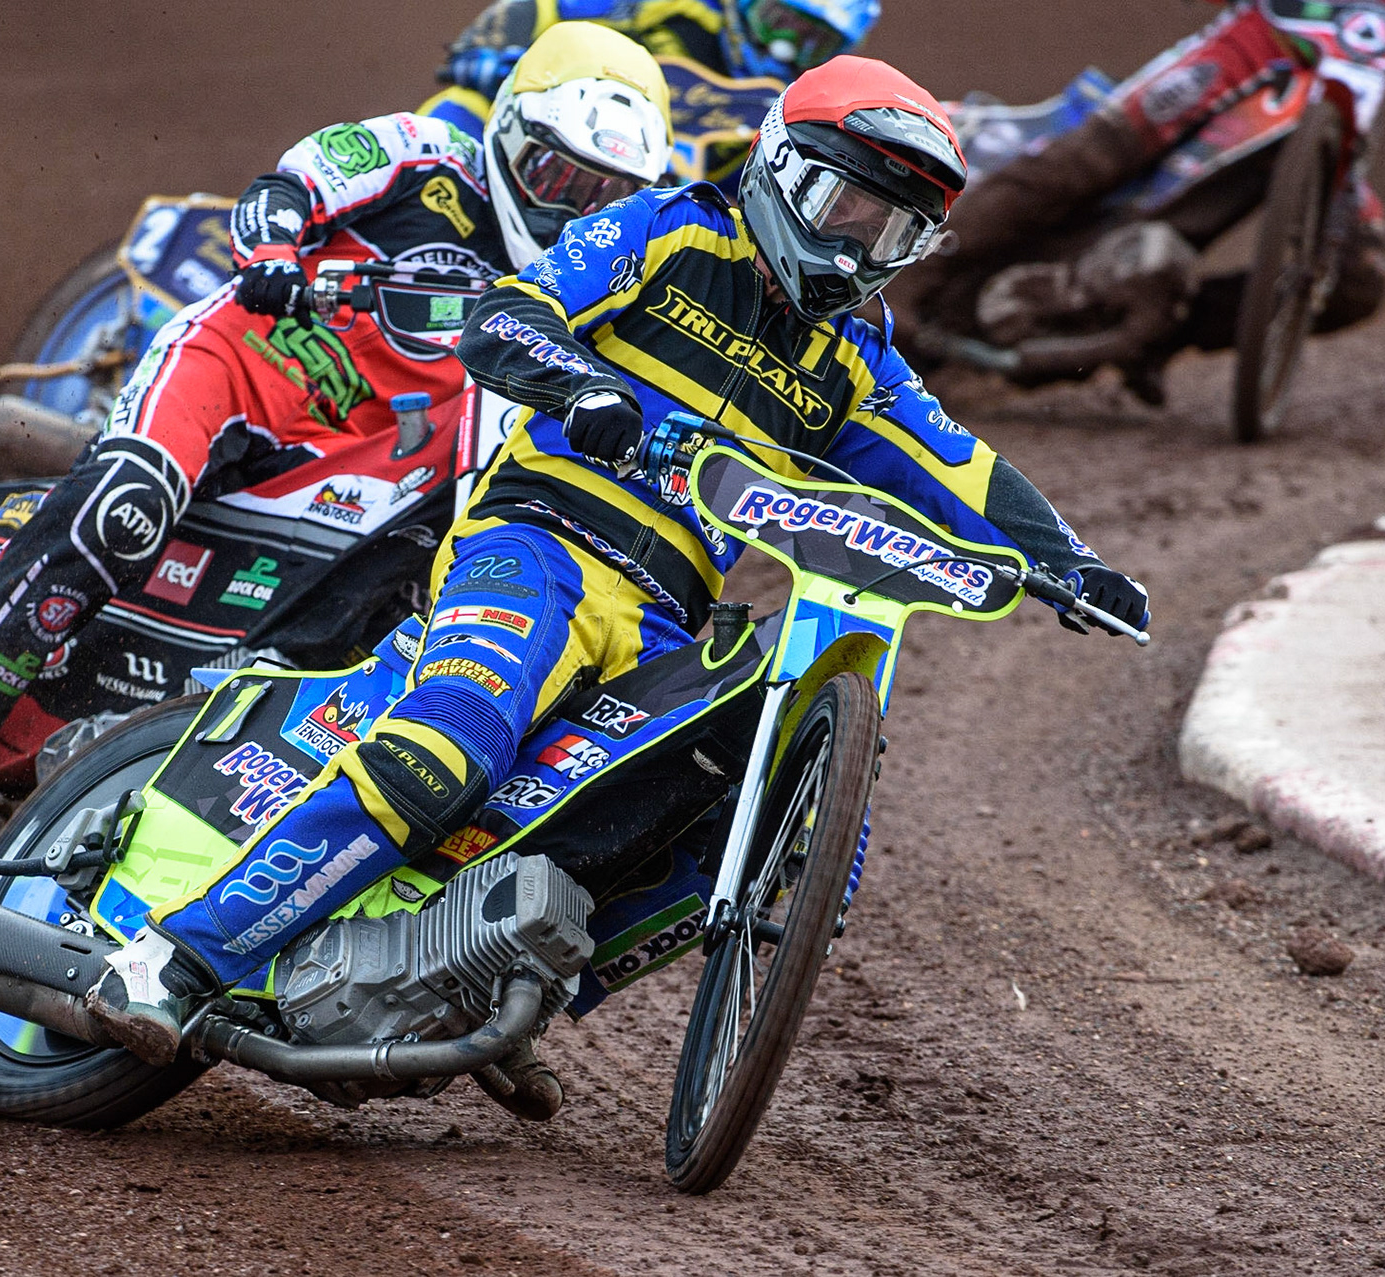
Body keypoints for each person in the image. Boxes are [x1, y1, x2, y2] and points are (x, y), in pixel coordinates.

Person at [83, 56, 1151, 1100]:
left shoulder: (857, 360)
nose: (854, 248)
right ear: (780, 168)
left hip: (660, 617)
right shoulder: (670, 229)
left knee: (705, 796)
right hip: (537, 542)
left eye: (892, 232)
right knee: (454, 741)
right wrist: (581, 385)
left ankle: (478, 976)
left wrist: (1072, 562)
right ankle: (177, 960)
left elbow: (964, 468)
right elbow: (505, 316)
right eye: (840, 206)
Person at [0, 22, 673, 866]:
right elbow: (287, 185)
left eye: (602, 196)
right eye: (559, 176)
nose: (572, 208)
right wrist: (277, 249)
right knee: (126, 508)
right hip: (242, 364)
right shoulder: (426, 152)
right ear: (508, 132)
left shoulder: (593, 289)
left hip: (366, 465)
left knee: (375, 635)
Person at [890, 0, 1385, 402]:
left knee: (1361, 276)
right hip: (1271, 35)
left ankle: (1157, 336)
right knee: (1099, 154)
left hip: (1343, 105)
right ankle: (920, 268)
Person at [421, 0, 881, 139]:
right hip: (559, 131)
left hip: (669, 208)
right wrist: (493, 46)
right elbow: (543, 6)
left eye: (810, 43)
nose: (783, 49)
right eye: (777, 21)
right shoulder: (665, 4)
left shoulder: (809, 96)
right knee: (462, 108)